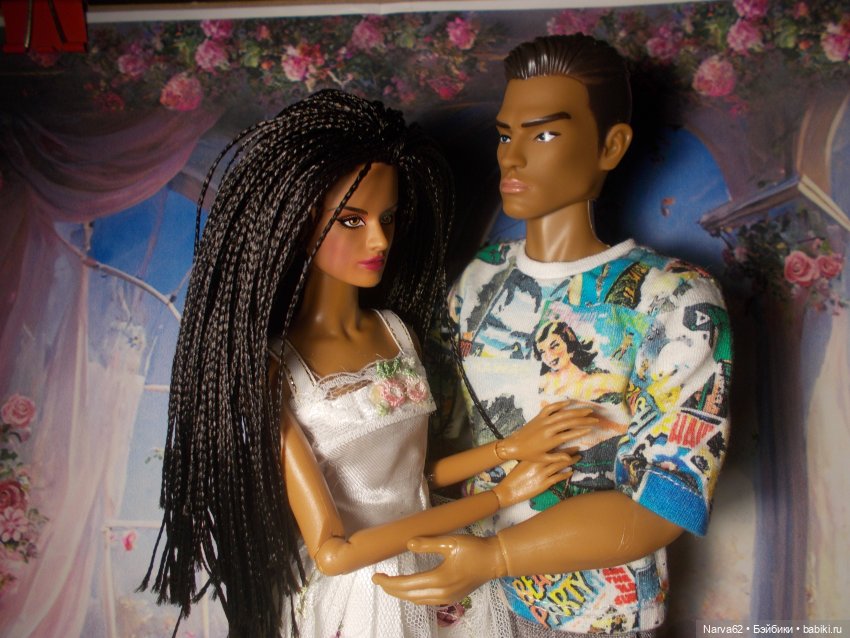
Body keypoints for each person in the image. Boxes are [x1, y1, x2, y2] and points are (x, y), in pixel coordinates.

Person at [140, 89, 599, 638]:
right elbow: (333, 551)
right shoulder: (276, 370)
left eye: (388, 217)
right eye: (352, 221)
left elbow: (413, 477)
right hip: (366, 592)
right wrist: (500, 496)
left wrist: (511, 448)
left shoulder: (396, 332)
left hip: (439, 559)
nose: (380, 238)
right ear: (301, 225)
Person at [374, 35, 732, 637]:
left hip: (592, 616)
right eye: (504, 135)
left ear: (610, 145)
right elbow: (428, 446)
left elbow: (667, 500)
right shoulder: (475, 282)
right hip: (461, 607)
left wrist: (495, 557)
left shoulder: (674, 298)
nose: (511, 158)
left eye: (542, 135)